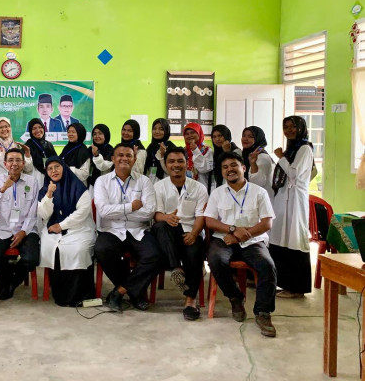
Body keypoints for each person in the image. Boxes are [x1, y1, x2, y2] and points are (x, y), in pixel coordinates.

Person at [204, 152, 277, 337]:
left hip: (252, 240)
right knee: (215, 260)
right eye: (225, 167)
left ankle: (263, 312)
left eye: (233, 165)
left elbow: (267, 223)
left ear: (243, 168)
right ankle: (235, 297)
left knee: (267, 265)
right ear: (222, 172)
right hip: (224, 239)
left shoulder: (259, 192)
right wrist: (232, 230)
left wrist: (240, 236)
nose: (229, 170)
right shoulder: (217, 193)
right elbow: (209, 221)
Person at [93, 143, 162, 312]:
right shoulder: (102, 181)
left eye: (128, 155)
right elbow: (103, 211)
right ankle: (136, 294)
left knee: (155, 255)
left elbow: (148, 213)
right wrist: (131, 207)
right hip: (111, 230)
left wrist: (116, 211)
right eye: (120, 155)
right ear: (113, 159)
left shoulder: (144, 181)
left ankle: (119, 292)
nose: (124, 158)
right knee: (102, 250)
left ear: (134, 159)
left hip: (138, 230)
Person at [151, 146, 209, 321]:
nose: (176, 165)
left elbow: (201, 216)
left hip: (190, 231)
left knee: (195, 251)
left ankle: (190, 300)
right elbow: (156, 215)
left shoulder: (199, 188)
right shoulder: (158, 187)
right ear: (166, 164)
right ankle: (177, 268)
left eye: (180, 161)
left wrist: (194, 233)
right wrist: (167, 217)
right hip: (168, 233)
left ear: (187, 163)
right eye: (171, 161)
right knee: (160, 226)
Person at [38, 157, 95, 306]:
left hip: (79, 228)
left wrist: (62, 225)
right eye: (50, 168)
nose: (54, 171)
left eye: (57, 166)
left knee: (78, 250)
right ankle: (61, 294)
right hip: (53, 229)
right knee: (54, 249)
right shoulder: (45, 189)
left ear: (64, 167)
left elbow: (82, 212)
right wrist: (49, 195)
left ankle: (79, 295)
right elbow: (43, 214)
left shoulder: (78, 187)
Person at [269, 116, 314, 298]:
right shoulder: (292, 149)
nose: (289, 130)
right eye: (285, 127)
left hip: (295, 200)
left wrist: (281, 157)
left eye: (293, 126)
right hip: (284, 198)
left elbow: (294, 173)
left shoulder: (305, 148)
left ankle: (298, 288)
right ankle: (286, 284)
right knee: (282, 239)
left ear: (301, 128)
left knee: (295, 239)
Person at [0, 148, 40, 300]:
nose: (14, 164)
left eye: (18, 160)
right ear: (5, 164)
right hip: (1, 229)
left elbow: (34, 210)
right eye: (10, 160)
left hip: (26, 229)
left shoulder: (32, 182)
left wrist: (24, 231)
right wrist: (2, 189)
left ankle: (11, 282)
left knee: (32, 259)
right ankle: (7, 276)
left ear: (23, 163)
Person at [241, 126, 275, 201]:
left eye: (250, 136)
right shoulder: (245, 155)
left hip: (261, 200)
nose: (245, 139)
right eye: (244, 136)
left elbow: (258, 182)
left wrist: (253, 164)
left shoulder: (263, 157)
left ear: (258, 139)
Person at [24, 118, 57, 188]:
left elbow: (56, 162)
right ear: (30, 131)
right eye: (34, 128)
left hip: (49, 179)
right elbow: (26, 168)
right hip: (34, 180)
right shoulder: (27, 146)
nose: (38, 130)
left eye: (40, 127)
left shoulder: (48, 145)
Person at [211, 125, 241, 192]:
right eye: (214, 137)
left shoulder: (236, 151)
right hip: (220, 188)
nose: (217, 139)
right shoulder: (216, 152)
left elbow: (236, 172)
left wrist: (227, 152)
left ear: (226, 136)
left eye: (220, 136)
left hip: (233, 188)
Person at [183, 123, 213, 189]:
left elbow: (205, 168)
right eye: (187, 134)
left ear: (199, 133)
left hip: (201, 187)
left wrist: (195, 151)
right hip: (186, 188)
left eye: (192, 132)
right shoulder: (184, 150)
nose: (189, 135)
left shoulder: (207, 150)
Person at [144, 118, 172, 184]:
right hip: (150, 181)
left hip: (166, 182)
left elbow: (171, 171)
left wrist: (163, 156)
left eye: (161, 129)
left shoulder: (170, 147)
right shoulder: (150, 147)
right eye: (154, 129)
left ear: (166, 131)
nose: (157, 131)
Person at [88, 124, 114, 189]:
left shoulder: (110, 150)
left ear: (106, 135)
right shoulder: (90, 149)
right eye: (94, 134)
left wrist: (96, 155)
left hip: (105, 185)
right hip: (91, 184)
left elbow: (103, 167)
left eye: (100, 133)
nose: (97, 136)